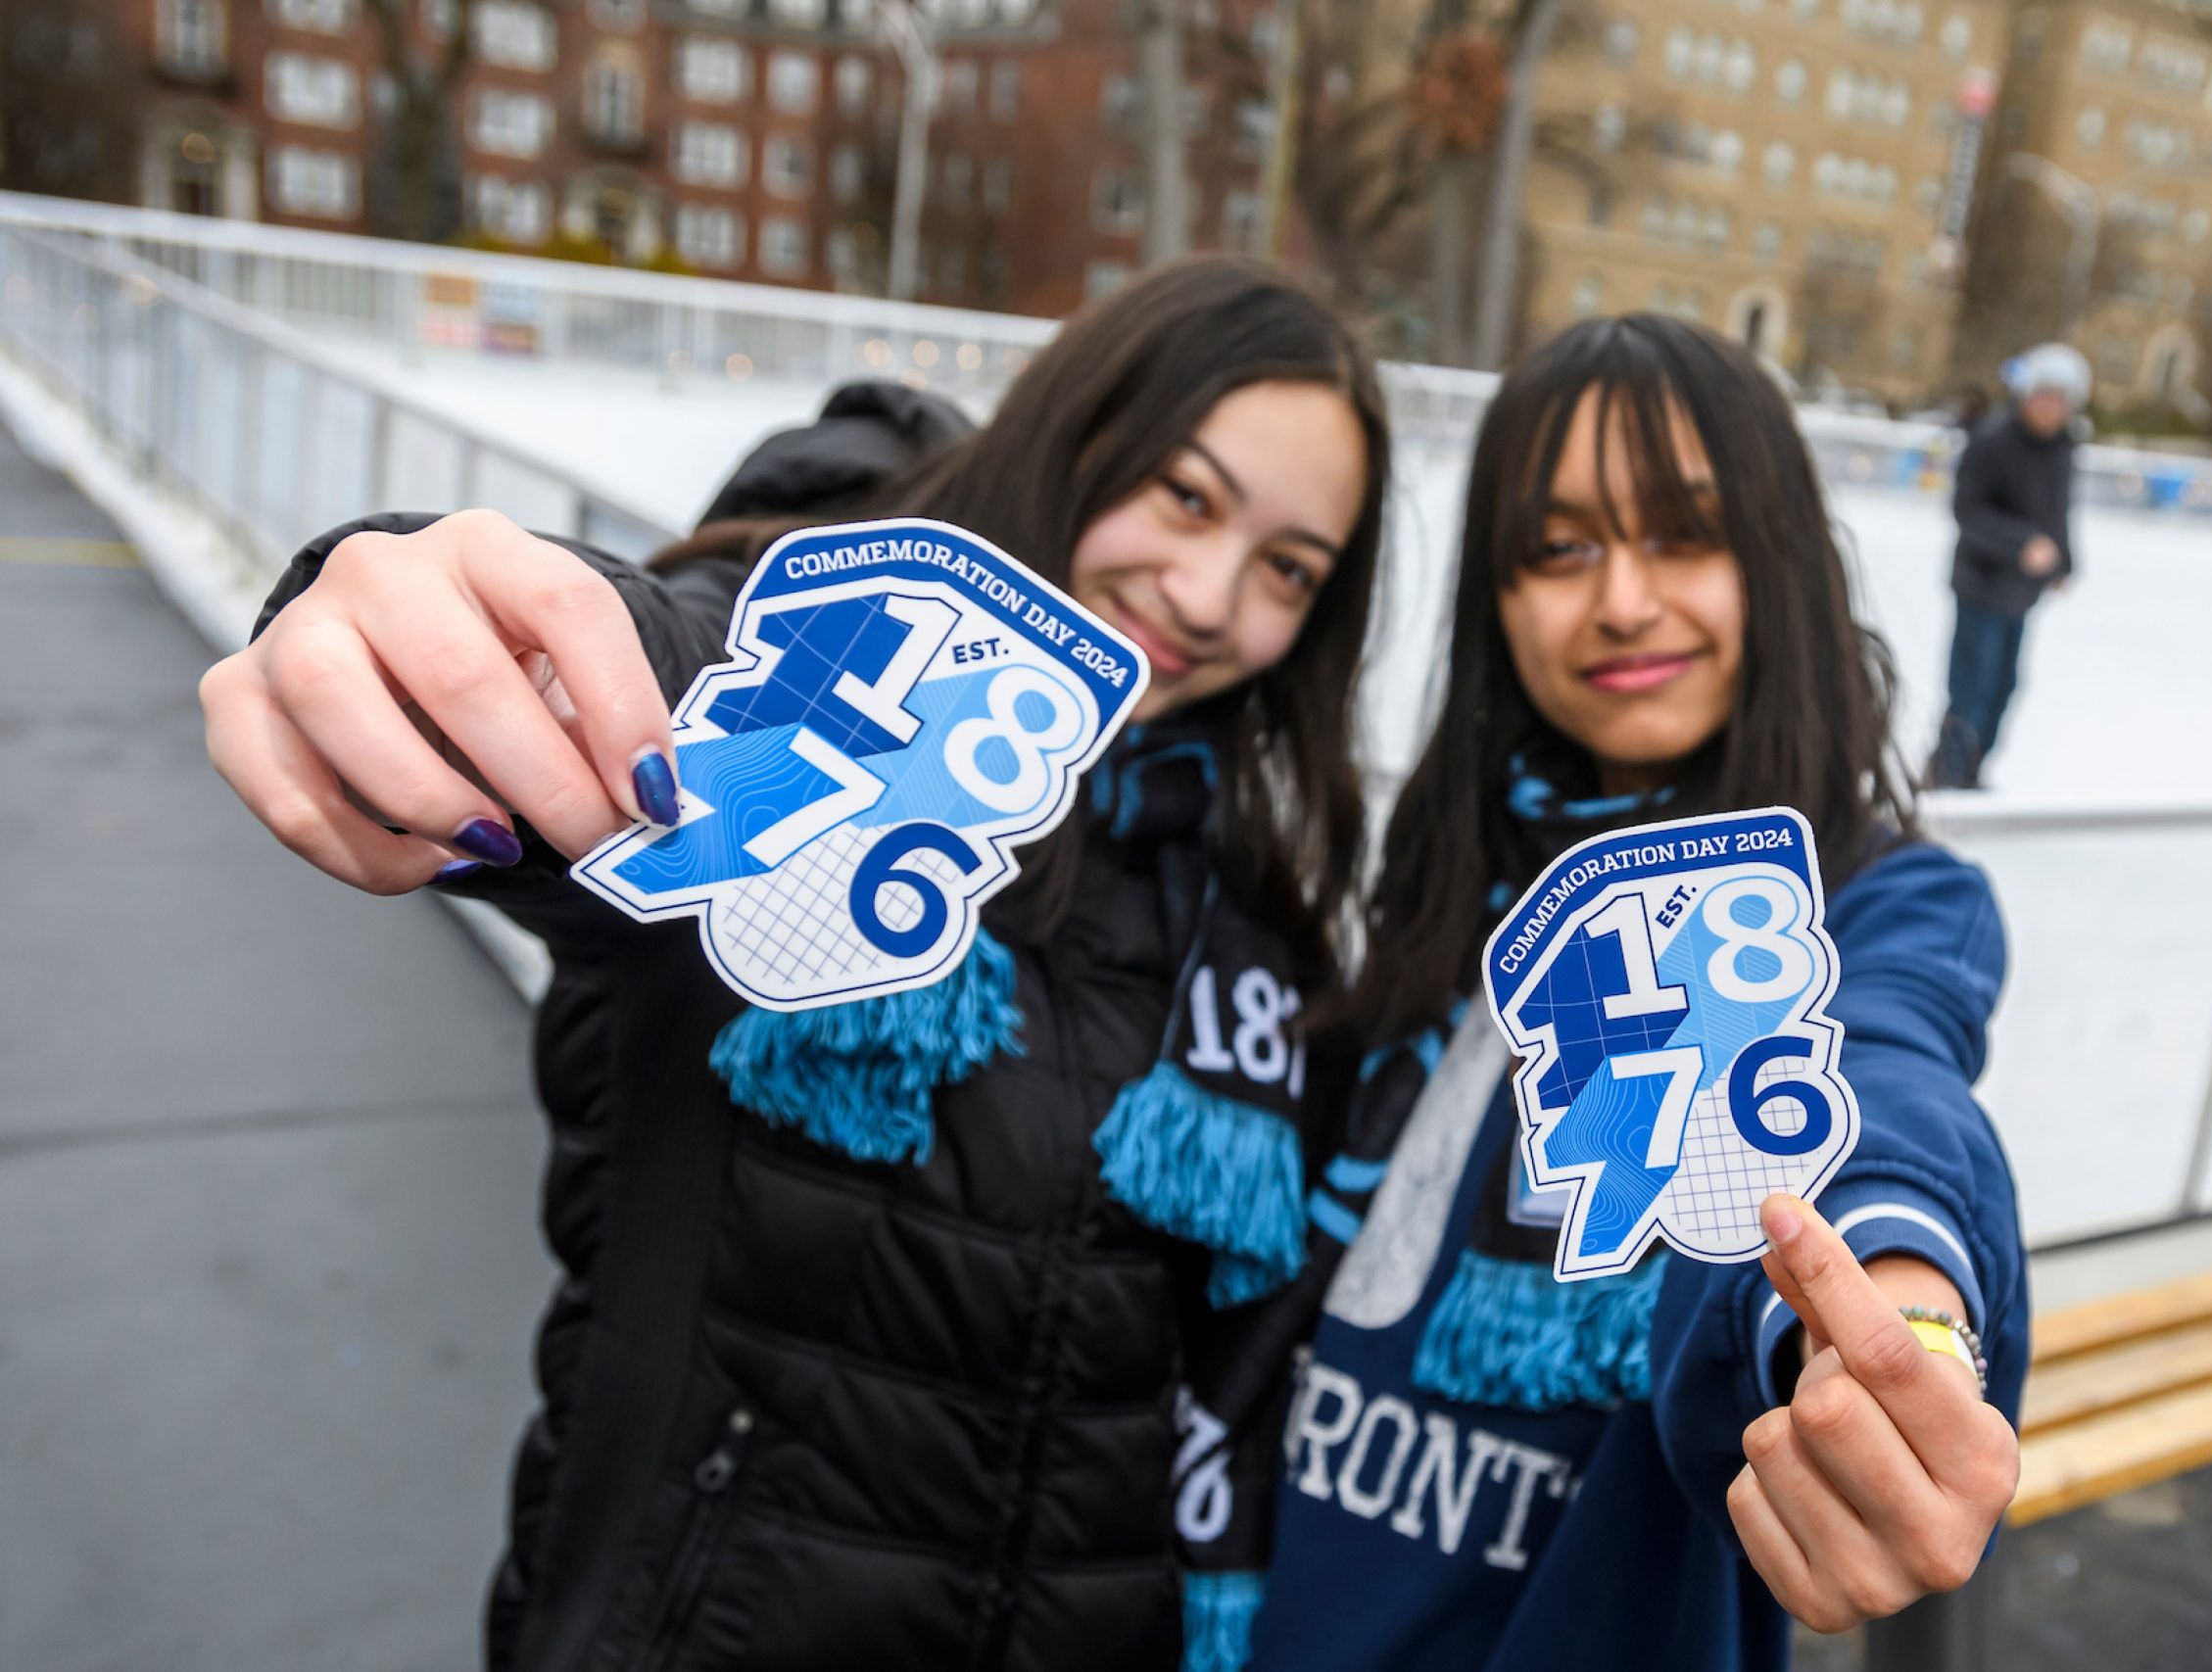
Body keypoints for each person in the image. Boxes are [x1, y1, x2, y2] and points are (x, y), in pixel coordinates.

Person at [198, 259, 1392, 1672]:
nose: (1206, 597)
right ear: (1079, 431)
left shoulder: (1247, 902)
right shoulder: (834, 695)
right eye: (1185, 495)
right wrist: (418, 623)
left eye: (1289, 570)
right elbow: (653, 683)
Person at [1242, 313, 2025, 1671]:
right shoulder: (1448, 879)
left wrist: (1883, 1317)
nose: (1619, 599)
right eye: (1558, 549)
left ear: (1774, 562)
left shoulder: (1867, 903)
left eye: (1684, 533)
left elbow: (1883, 1082)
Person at [1923, 343, 2089, 790]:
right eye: (2044, 396)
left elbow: (2057, 512)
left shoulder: (2062, 448)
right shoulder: (1993, 441)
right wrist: (2021, 544)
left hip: (2021, 591)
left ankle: (1974, 771)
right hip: (1981, 584)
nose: (2051, 408)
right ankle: (1947, 774)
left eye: (2061, 399)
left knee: (2004, 687)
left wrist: (2064, 561)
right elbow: (1967, 511)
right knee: (1970, 687)